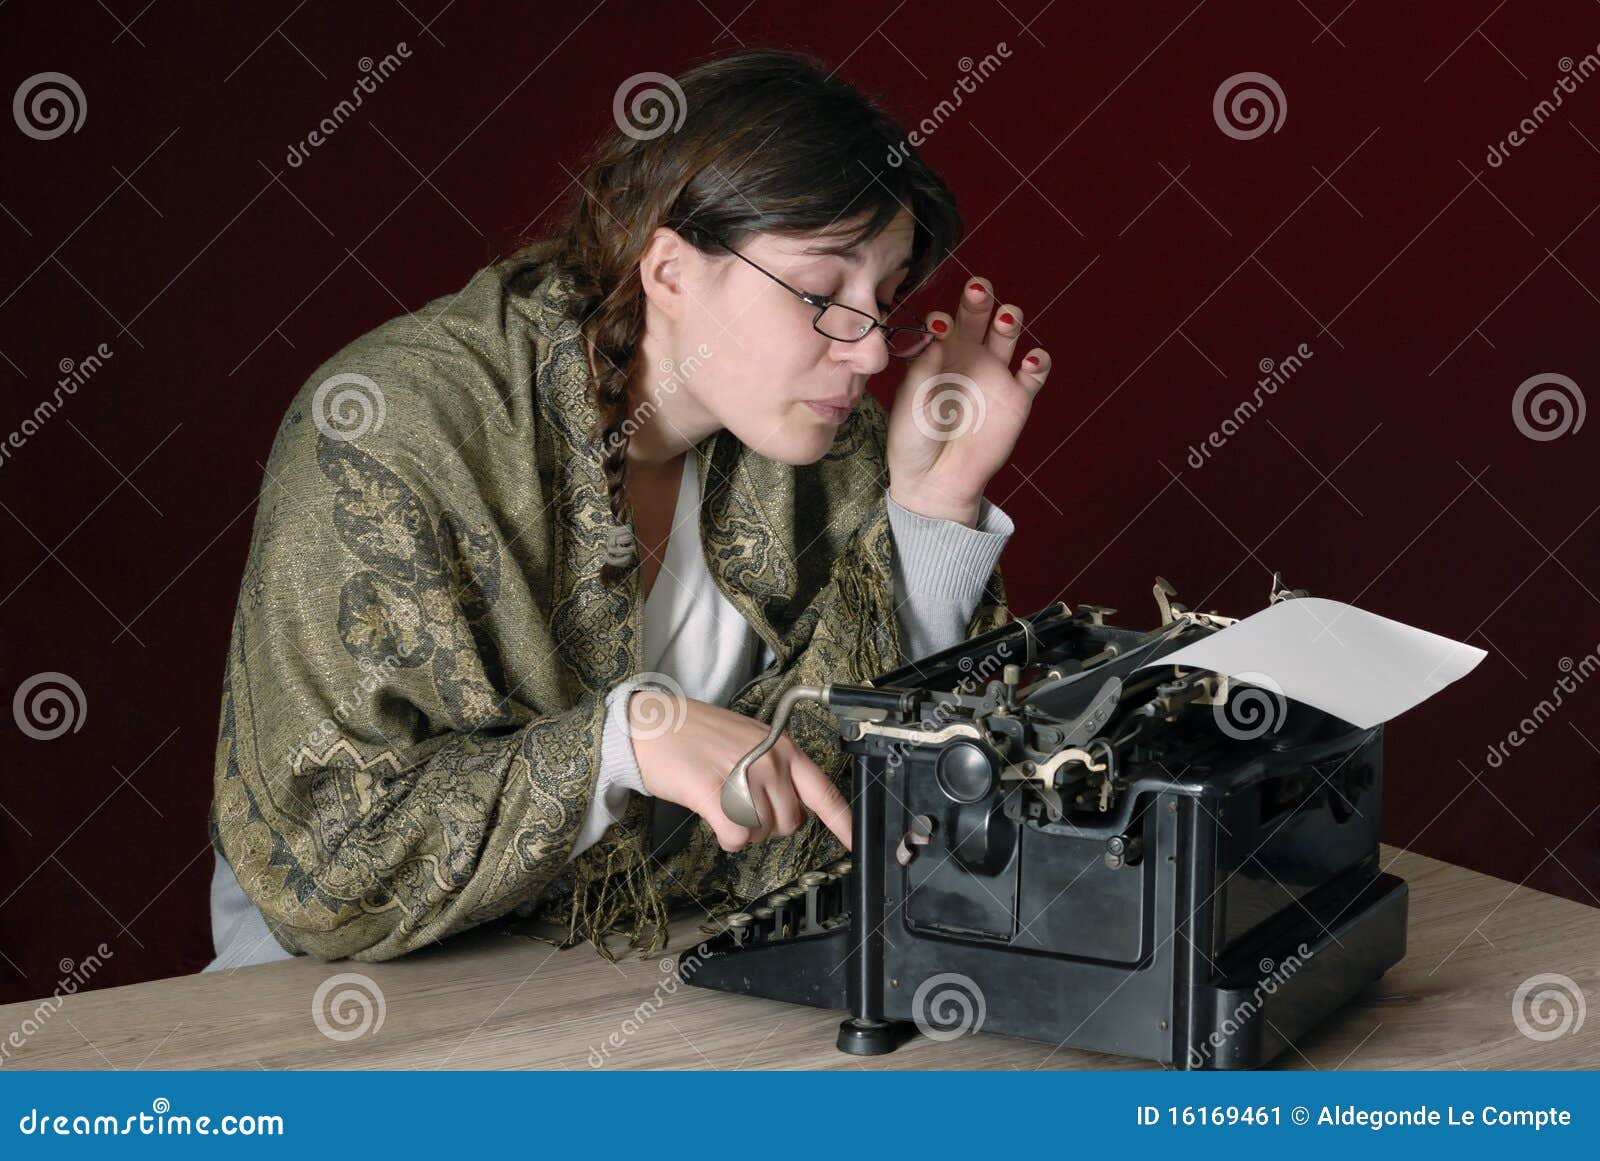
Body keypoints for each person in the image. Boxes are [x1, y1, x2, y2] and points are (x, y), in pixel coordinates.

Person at [203, 48, 1050, 971]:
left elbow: (860, 786)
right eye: (821, 292)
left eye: (882, 300)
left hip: (642, 977)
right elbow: (327, 865)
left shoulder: (815, 437)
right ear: (670, 268)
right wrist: (623, 741)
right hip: (350, 1000)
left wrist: (933, 503)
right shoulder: (395, 427)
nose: (872, 354)